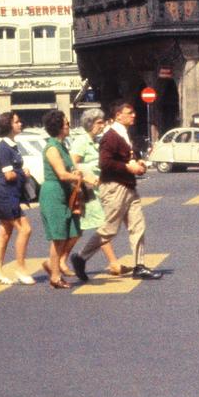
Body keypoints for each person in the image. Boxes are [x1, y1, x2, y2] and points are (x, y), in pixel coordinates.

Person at [69, 100, 155, 282]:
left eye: (133, 112)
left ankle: (139, 265)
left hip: (128, 186)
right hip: (114, 186)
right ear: (118, 116)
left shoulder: (123, 134)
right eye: (129, 112)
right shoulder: (111, 136)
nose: (133, 115)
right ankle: (81, 257)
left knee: (137, 225)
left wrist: (137, 164)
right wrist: (128, 167)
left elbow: (126, 158)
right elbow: (105, 163)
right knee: (109, 228)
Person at [65, 108, 116, 276]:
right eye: (99, 123)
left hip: (97, 189)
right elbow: (74, 165)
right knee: (102, 225)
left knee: (79, 230)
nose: (102, 125)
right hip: (87, 191)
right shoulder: (82, 141)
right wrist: (88, 175)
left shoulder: (95, 141)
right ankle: (113, 262)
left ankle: (59, 260)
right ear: (90, 124)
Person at [0, 112, 35, 285]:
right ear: (8, 125)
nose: (20, 124)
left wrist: (20, 173)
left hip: (10, 195)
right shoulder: (4, 148)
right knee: (25, 229)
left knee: (5, 233)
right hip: (6, 196)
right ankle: (20, 269)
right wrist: (23, 173)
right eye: (17, 122)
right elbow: (8, 175)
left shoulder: (12, 146)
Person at [38, 110, 83, 290]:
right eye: (66, 124)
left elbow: (70, 170)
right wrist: (83, 179)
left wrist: (77, 173)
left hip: (66, 193)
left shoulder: (62, 145)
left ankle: (53, 265)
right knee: (58, 237)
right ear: (58, 127)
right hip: (54, 193)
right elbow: (62, 174)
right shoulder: (52, 147)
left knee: (73, 231)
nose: (68, 126)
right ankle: (55, 277)